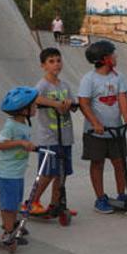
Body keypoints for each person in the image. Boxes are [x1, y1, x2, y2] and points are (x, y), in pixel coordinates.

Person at [78, 40, 127, 213]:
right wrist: (95, 123)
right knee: (97, 164)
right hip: (95, 132)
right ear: (105, 58)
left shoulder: (118, 77)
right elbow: (84, 103)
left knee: (119, 163)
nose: (116, 57)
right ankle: (100, 198)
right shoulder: (89, 79)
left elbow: (122, 98)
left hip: (116, 130)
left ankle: (122, 194)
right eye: (113, 54)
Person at [30, 47, 76, 215]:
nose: (56, 64)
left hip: (65, 136)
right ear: (43, 65)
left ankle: (55, 204)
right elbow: (35, 98)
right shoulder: (42, 85)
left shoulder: (64, 85)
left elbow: (72, 101)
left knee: (61, 173)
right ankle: (32, 201)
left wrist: (70, 104)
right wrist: (55, 104)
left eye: (58, 60)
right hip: (49, 137)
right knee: (48, 172)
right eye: (51, 61)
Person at [0, 86, 39, 245]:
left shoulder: (23, 124)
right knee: (8, 205)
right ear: (23, 110)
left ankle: (12, 224)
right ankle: (8, 233)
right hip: (7, 173)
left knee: (15, 202)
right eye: (33, 106)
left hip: (17, 173)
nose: (36, 107)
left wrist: (31, 146)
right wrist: (21, 142)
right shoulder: (11, 126)